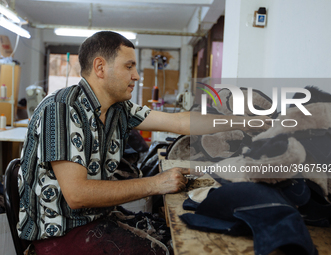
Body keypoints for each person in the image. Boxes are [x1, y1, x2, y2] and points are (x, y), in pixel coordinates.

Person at [17, 31, 269, 255]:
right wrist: (157, 183)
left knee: (166, 236)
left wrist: (244, 122)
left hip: (93, 219)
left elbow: (180, 123)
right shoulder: (62, 108)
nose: (136, 76)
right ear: (100, 67)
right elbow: (77, 195)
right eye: (129, 66)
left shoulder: (118, 109)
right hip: (57, 235)